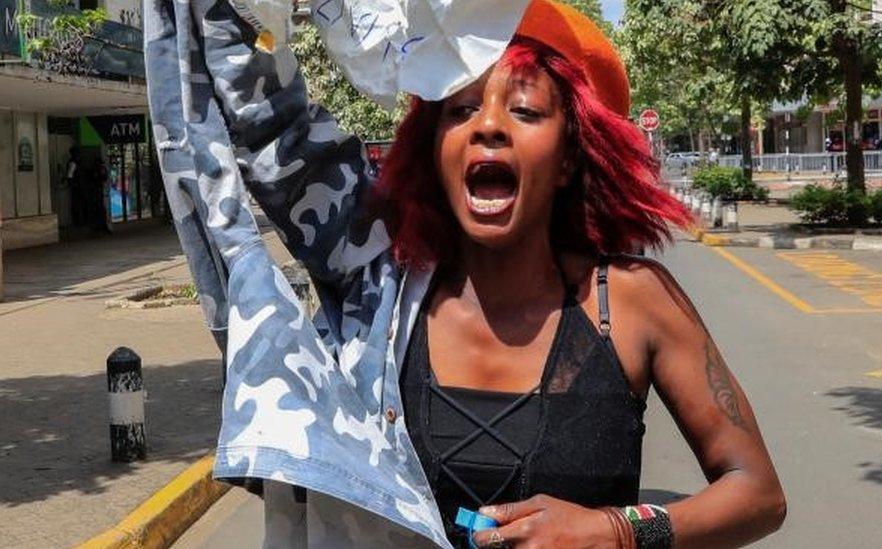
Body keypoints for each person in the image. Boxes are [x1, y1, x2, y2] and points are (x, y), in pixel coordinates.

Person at [147, 1, 786, 547]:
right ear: (434, 149)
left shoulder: (631, 301)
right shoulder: (382, 285)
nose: (487, 127)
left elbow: (756, 493)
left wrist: (616, 532)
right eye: (458, 111)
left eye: (526, 112)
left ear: (568, 157)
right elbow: (267, 120)